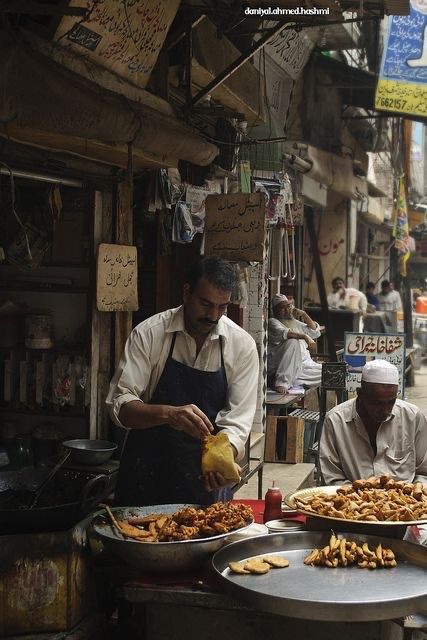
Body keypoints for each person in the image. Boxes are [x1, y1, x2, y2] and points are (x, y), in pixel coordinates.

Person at [106, 256, 259, 506]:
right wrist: (168, 414)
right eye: (205, 304)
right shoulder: (149, 334)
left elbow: (238, 421)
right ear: (186, 292)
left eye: (222, 307)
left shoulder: (241, 346)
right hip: (144, 478)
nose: (213, 315)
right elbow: (120, 406)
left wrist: (224, 457)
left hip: (204, 485)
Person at [319, 359, 427, 485]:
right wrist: (362, 497)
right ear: (360, 394)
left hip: (406, 501)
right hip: (351, 500)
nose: (385, 410)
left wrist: (413, 495)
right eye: (377, 403)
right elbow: (332, 477)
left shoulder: (413, 417)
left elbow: (423, 472)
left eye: (391, 402)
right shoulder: (335, 420)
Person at [267, 293, 322, 394]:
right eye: (282, 308)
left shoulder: (293, 322)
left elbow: (314, 331)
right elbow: (287, 333)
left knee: (330, 374)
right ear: (275, 310)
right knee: (293, 341)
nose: (286, 310)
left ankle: (294, 381)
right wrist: (305, 337)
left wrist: (303, 314)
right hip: (280, 366)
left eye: (288, 306)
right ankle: (281, 382)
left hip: (303, 366)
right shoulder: (272, 322)